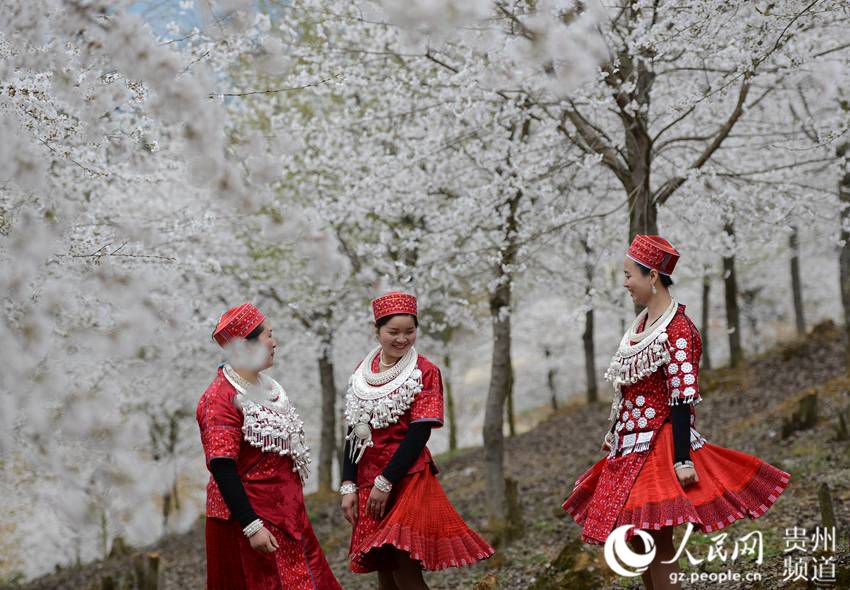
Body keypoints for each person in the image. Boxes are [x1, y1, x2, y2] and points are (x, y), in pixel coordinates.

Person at [561, 235, 791, 590]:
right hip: (628, 446)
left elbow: (682, 397)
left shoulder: (678, 329)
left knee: (658, 540)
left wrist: (682, 459)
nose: (624, 283)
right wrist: (616, 432)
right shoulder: (639, 326)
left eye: (628, 275)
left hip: (660, 445)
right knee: (637, 539)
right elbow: (627, 390)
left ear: (652, 276)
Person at [340, 291, 495, 590]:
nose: (402, 339)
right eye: (393, 332)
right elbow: (355, 430)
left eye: (409, 331)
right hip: (367, 478)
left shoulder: (425, 372)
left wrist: (386, 482)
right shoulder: (362, 371)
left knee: (404, 565)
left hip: (407, 476)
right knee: (384, 566)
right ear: (377, 331)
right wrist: (348, 484)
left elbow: (419, 432)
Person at [197, 302, 342, 590]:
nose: (275, 342)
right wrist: (252, 525)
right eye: (268, 336)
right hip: (249, 521)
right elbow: (223, 467)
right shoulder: (219, 398)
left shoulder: (269, 387)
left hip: (289, 515)